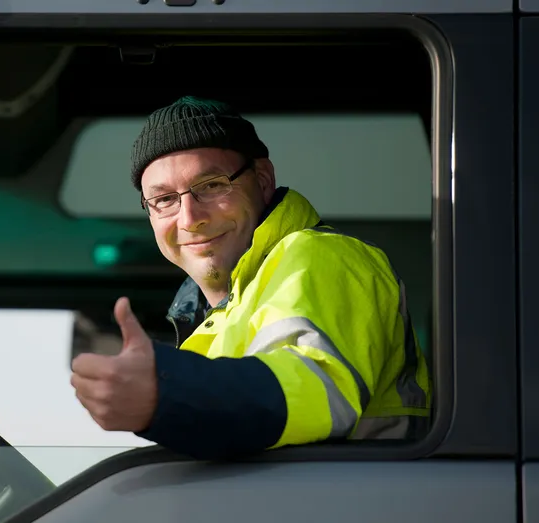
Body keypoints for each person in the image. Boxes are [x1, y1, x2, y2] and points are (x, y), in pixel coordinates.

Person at [70, 96, 432, 459]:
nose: (189, 217)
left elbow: (317, 386)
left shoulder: (318, 255)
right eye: (164, 199)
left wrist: (164, 391)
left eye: (211, 185)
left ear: (262, 181)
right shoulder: (218, 313)